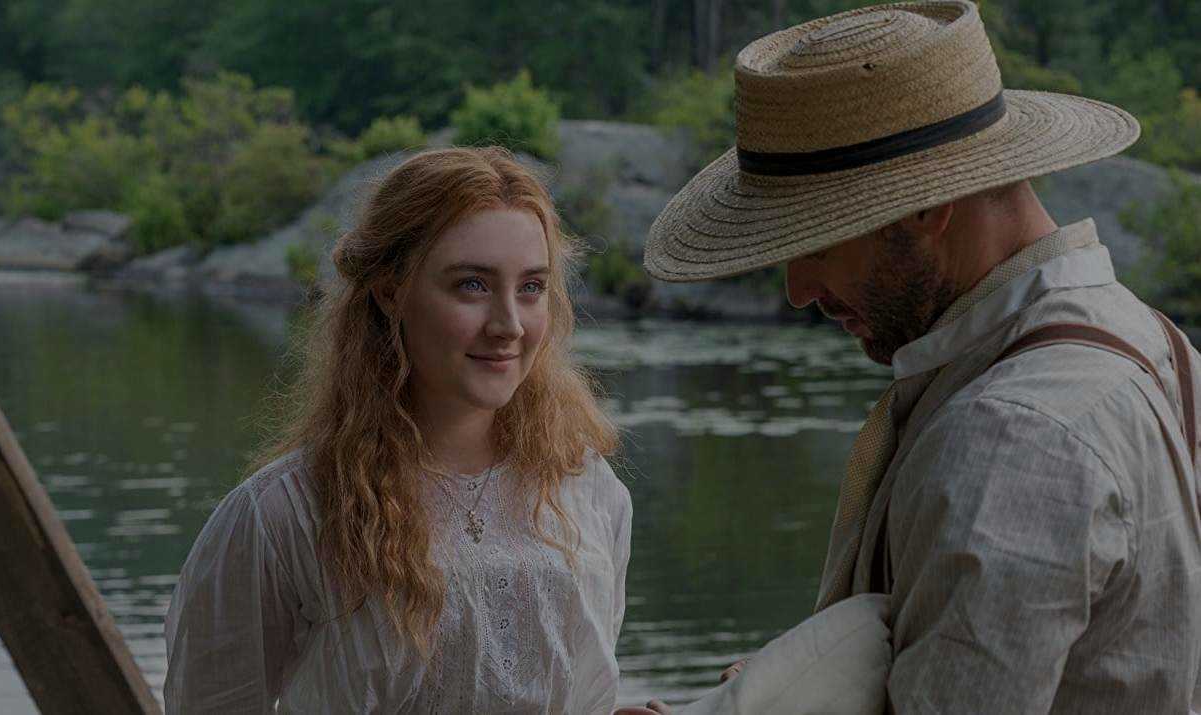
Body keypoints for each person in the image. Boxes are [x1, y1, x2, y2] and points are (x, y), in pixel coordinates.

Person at [639, 1, 1201, 713]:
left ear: (926, 208)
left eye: (816, 244)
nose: (797, 290)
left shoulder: (1011, 436)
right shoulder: (1151, 340)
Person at [164, 147, 632, 713]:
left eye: (531, 287)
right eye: (472, 285)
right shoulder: (284, 514)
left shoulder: (589, 492)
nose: (509, 325)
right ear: (391, 292)